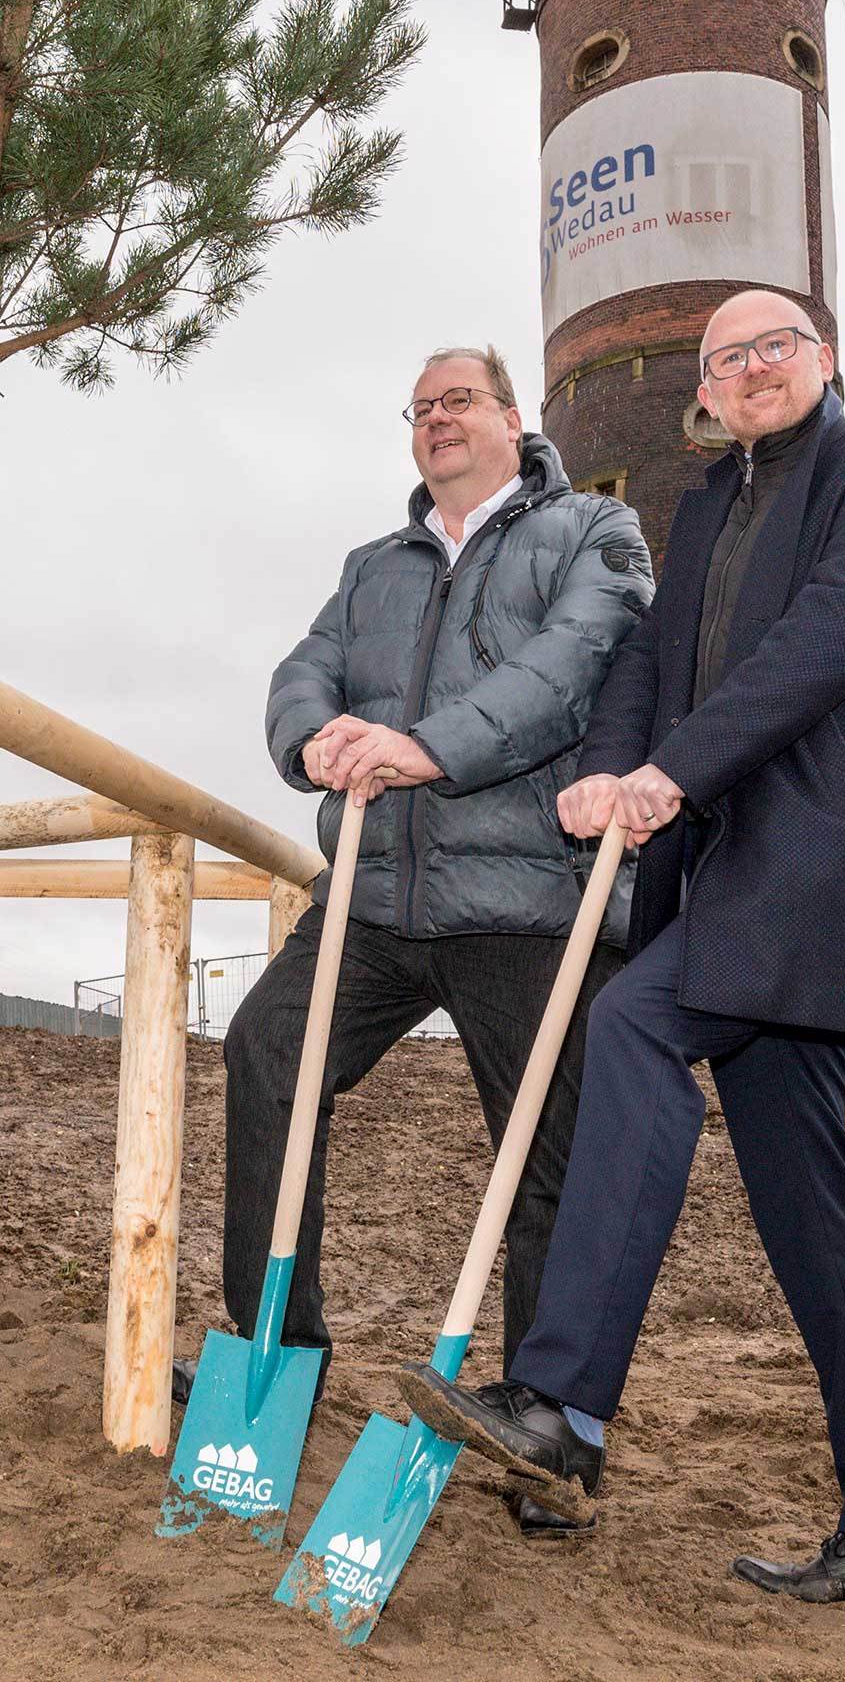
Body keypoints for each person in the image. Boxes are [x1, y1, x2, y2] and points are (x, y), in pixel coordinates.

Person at [400, 289, 845, 1603]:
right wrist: (609, 775)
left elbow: (824, 647)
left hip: (821, 869)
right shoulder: (709, 503)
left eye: (776, 345)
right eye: (725, 358)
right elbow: (648, 670)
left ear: (826, 363)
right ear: (704, 394)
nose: (750, 367)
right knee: (808, 1214)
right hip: (729, 879)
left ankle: (562, 1405)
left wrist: (671, 776)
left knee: (635, 1022)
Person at [196, 347, 652, 1513]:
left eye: (461, 401)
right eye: (422, 407)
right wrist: (312, 740)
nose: (438, 420)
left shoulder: (595, 531)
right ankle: (273, 1352)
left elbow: (564, 674)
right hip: (377, 898)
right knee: (266, 1050)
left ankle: (547, 1432)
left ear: (514, 417)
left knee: (548, 1146)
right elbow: (304, 671)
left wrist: (428, 744)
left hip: (522, 900)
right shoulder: (373, 568)